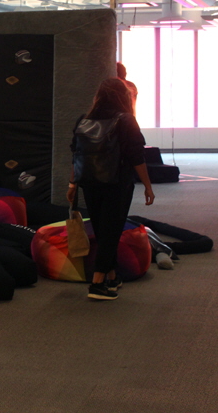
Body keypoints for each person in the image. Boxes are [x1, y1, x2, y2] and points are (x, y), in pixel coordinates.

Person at [67, 77, 155, 301]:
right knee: (111, 231)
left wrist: (72, 183)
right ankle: (97, 283)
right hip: (117, 183)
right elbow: (137, 156)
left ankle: (112, 277)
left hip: (89, 182)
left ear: (98, 96)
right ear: (123, 96)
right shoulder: (126, 120)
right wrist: (147, 185)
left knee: (102, 229)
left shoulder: (83, 120)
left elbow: (76, 154)